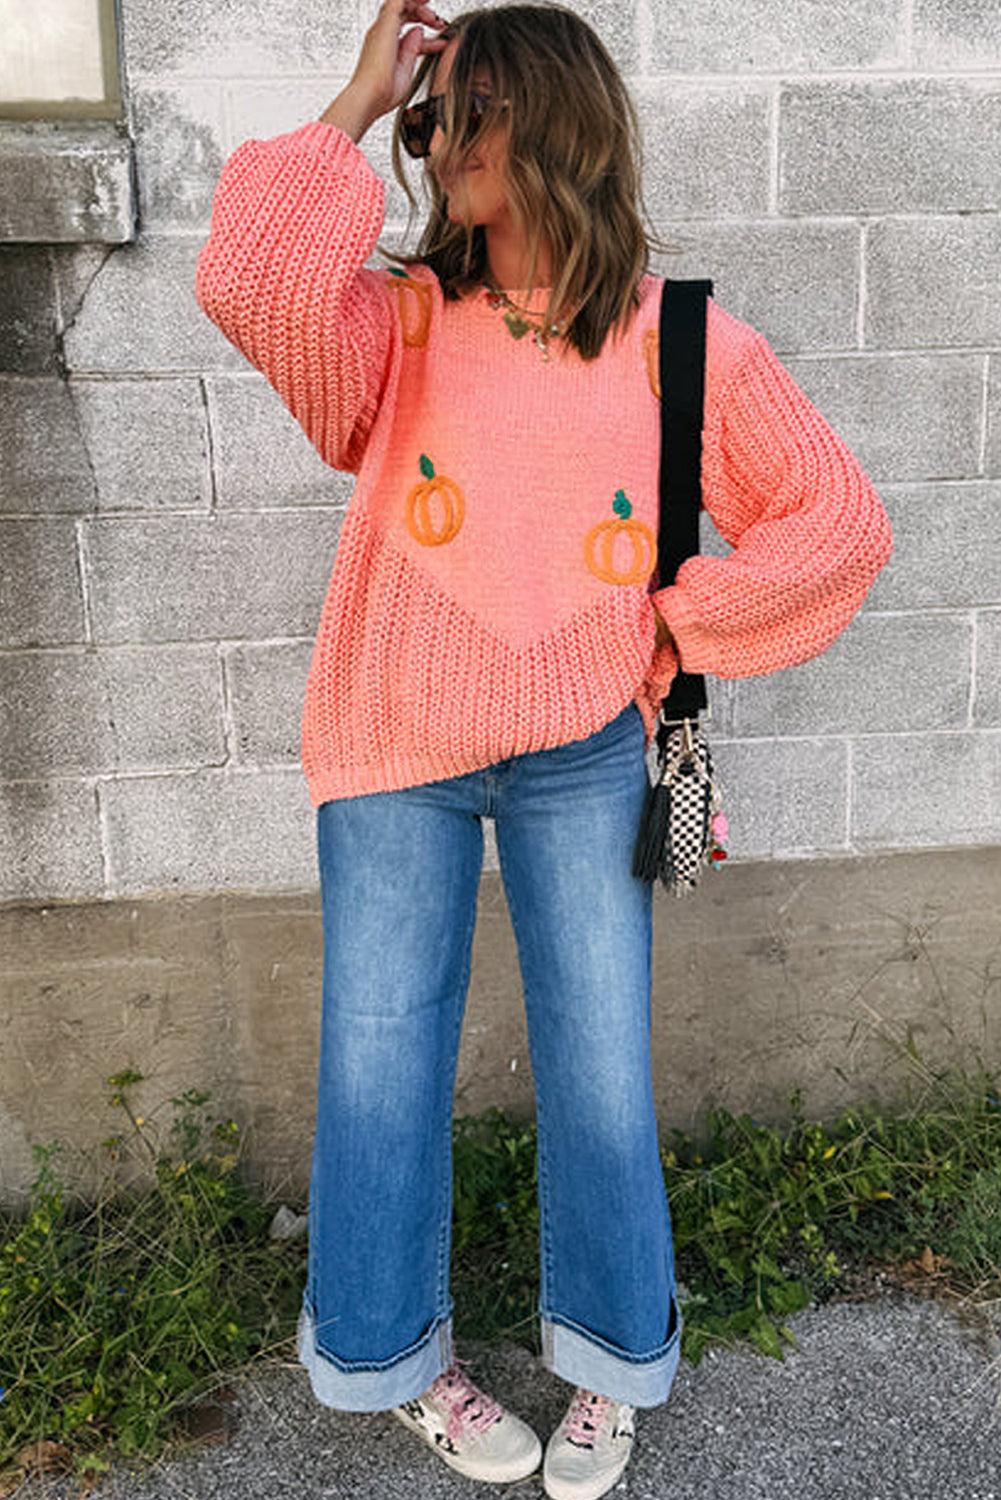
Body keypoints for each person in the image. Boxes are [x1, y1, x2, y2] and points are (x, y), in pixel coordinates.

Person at [196, 3, 892, 1496]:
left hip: (582, 749)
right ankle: (393, 1357)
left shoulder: (676, 341)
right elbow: (243, 275)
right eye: (434, 114)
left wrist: (674, 623)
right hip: (394, 739)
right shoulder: (388, 327)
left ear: (559, 126)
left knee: (599, 1069)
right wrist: (355, 92)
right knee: (381, 1064)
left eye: (473, 109)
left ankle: (608, 1360)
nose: (441, 139)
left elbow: (838, 522)